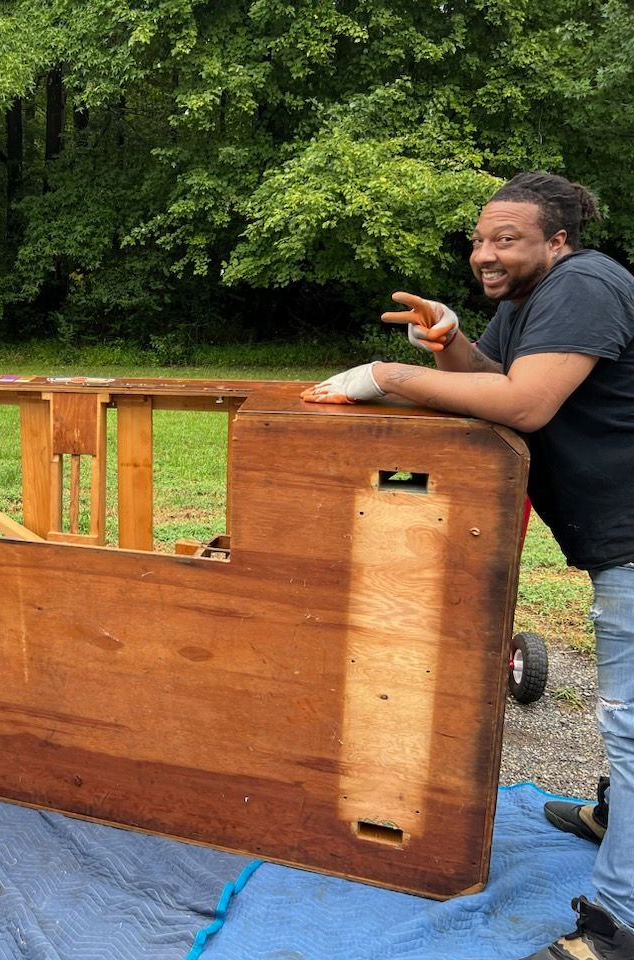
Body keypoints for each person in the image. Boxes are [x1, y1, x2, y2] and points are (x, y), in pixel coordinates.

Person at [305, 172, 634, 960]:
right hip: (615, 535)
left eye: (506, 240)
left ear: (558, 240)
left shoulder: (586, 283)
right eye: (480, 240)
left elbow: (526, 404)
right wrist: (450, 345)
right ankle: (613, 820)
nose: (485, 254)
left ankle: (619, 924)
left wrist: (388, 376)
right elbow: (494, 383)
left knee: (631, 723)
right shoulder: (531, 300)